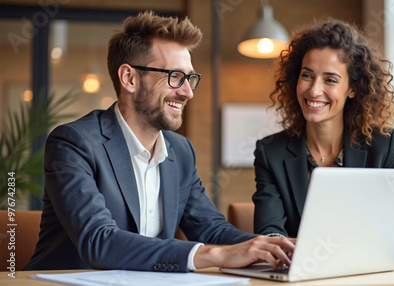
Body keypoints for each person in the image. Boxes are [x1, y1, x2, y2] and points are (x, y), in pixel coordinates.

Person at [24, 11, 294, 272]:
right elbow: (98, 241)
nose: (187, 92)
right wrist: (214, 254)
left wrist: (273, 247)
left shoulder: (181, 150)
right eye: (175, 76)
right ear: (129, 78)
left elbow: (210, 229)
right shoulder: (73, 143)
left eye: (190, 78)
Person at [252, 18, 394, 260]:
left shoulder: (384, 146)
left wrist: (362, 253)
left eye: (330, 80)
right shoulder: (271, 152)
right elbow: (269, 232)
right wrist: (279, 248)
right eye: (307, 75)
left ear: (352, 88)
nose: (314, 90)